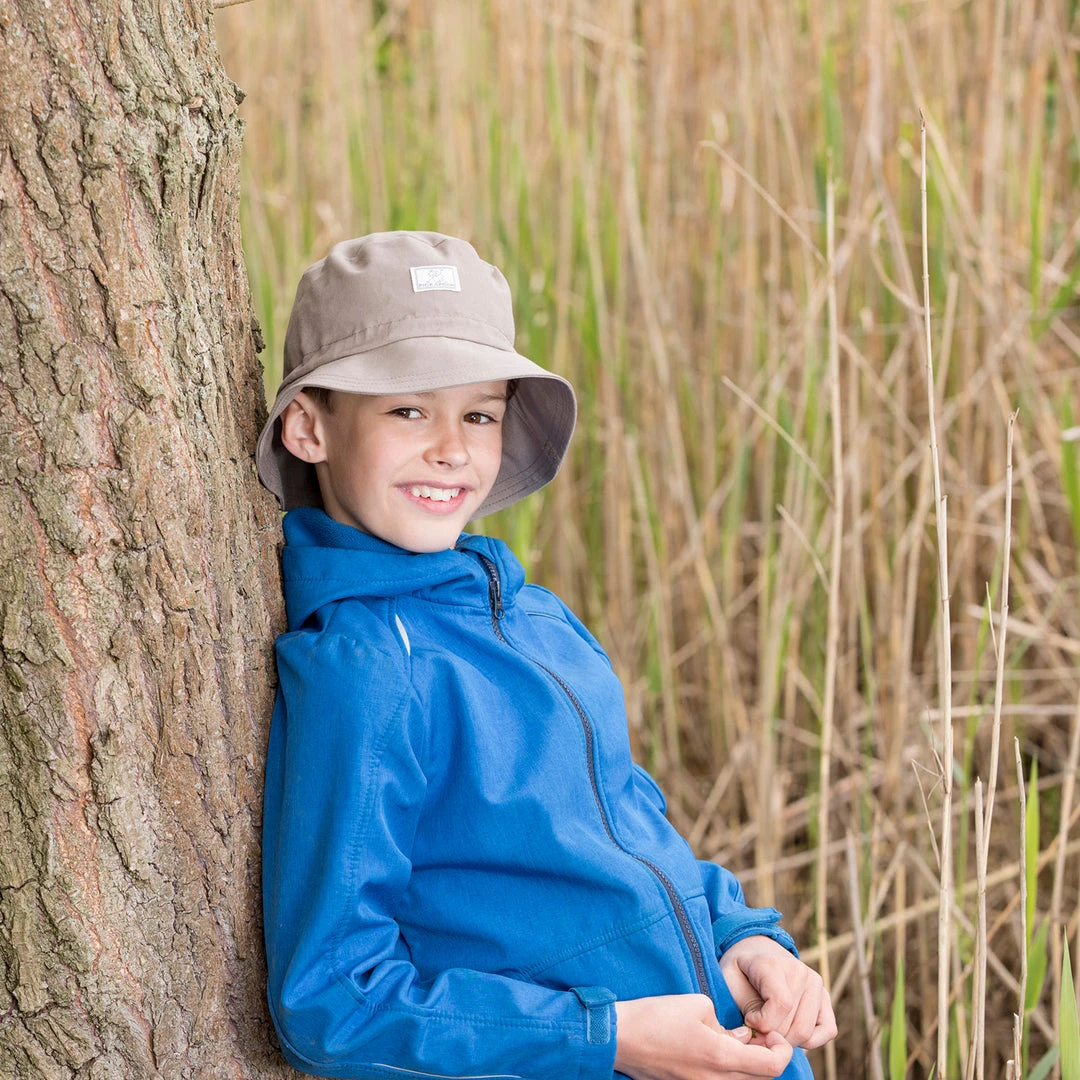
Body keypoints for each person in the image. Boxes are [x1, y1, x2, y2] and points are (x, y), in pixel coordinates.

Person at [255, 231, 837, 1080]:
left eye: (479, 414)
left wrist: (745, 939)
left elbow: (628, 826)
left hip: (722, 1049)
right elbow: (335, 1001)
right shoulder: (367, 669)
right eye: (408, 409)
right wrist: (610, 1039)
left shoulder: (534, 616)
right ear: (309, 426)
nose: (452, 447)